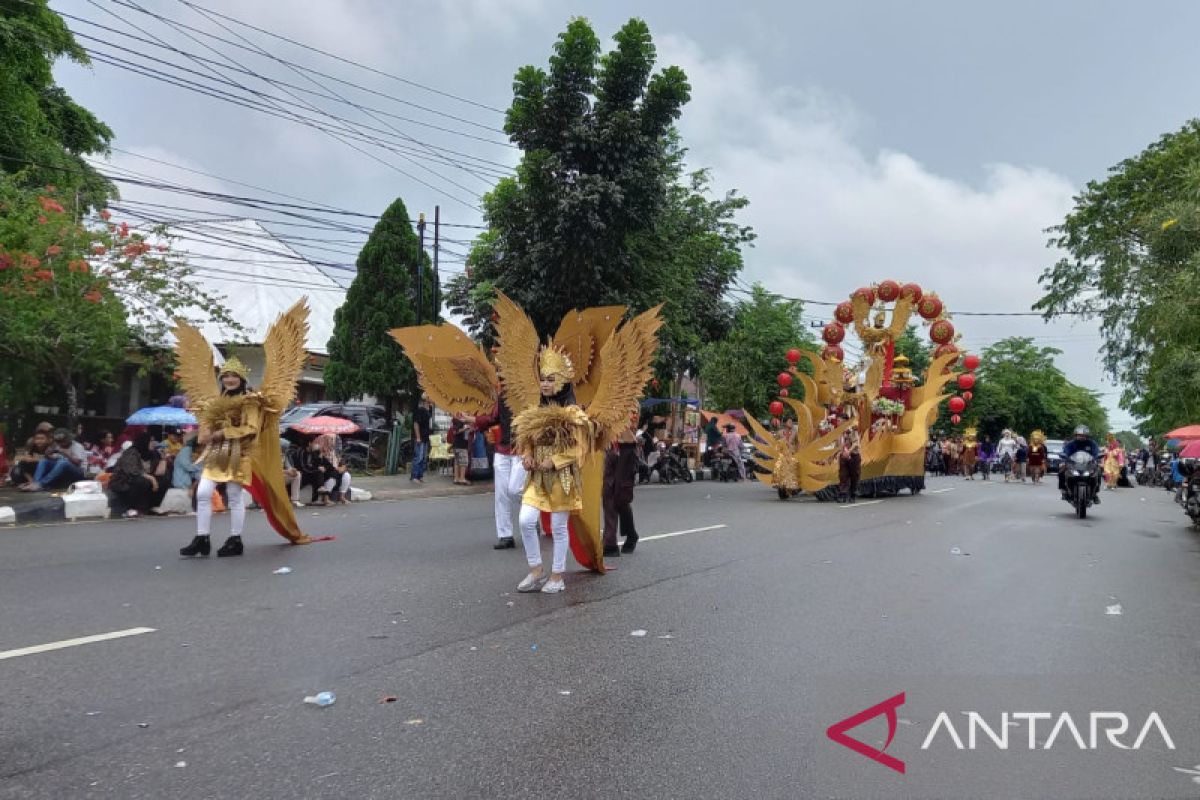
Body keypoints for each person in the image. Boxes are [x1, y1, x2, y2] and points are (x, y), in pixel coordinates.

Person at [514, 348, 586, 595]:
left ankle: (557, 575)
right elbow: (527, 439)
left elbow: (581, 447)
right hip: (537, 475)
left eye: (550, 379)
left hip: (562, 477)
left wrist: (554, 461)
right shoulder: (536, 408)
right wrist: (527, 455)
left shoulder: (574, 413)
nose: (544, 384)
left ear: (562, 381)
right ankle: (536, 569)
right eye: (542, 379)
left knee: (557, 527)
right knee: (525, 520)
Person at [180, 358, 257, 557]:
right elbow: (207, 422)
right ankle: (202, 538)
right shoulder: (215, 401)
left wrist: (223, 433)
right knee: (203, 493)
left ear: (241, 378)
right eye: (226, 376)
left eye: (234, 376)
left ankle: (235, 539)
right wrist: (205, 433)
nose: (229, 379)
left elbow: (251, 428)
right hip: (215, 453)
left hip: (239, 452)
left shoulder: (250, 400)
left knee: (233, 495)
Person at [476, 396, 523, 550]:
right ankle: (505, 535)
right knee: (501, 494)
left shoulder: (528, 393)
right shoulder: (502, 397)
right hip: (502, 450)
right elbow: (492, 417)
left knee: (515, 489)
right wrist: (475, 421)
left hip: (522, 450)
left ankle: (530, 512)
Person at [602, 420, 640, 557]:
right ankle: (610, 542)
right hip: (608, 449)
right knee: (608, 493)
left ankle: (627, 536)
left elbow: (630, 428)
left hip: (625, 449)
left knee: (620, 497)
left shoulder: (628, 403)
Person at [108, 433, 168, 518]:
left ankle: (154, 506)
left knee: (164, 479)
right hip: (124, 482)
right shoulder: (131, 452)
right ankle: (131, 508)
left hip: (145, 481)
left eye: (153, 441)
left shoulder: (153, 454)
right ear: (144, 441)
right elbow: (132, 471)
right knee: (140, 480)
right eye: (151, 441)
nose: (153, 443)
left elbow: (159, 473)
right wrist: (151, 478)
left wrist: (163, 458)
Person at [1059, 425, 1102, 503]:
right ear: (1075, 435)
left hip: (1088, 465)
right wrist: (1064, 458)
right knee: (1062, 470)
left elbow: (1096, 453)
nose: (1081, 437)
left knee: (1098, 471)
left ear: (1087, 436)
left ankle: (1095, 493)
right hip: (1073, 464)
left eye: (1083, 435)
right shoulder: (1071, 444)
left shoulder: (1091, 444)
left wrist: (1097, 458)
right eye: (1079, 435)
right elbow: (1065, 452)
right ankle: (1064, 490)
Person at [410, 395, 432, 484]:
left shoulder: (429, 410)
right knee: (418, 457)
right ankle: (415, 476)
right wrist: (418, 437)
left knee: (423, 458)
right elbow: (416, 424)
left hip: (426, 437)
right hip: (421, 437)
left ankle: (420, 475)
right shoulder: (420, 410)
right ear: (426, 399)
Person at [837, 427, 862, 503]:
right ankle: (843, 494)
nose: (839, 421)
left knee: (854, 476)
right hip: (843, 455)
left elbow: (856, 443)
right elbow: (838, 444)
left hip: (853, 455)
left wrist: (849, 451)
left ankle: (852, 495)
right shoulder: (839, 430)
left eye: (840, 419)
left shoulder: (852, 430)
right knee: (843, 475)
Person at [450, 414, 472, 485]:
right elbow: (455, 432)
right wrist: (466, 428)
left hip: (456, 445)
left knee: (457, 462)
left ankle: (456, 478)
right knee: (463, 462)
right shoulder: (460, 421)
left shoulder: (455, 420)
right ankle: (462, 479)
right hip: (461, 445)